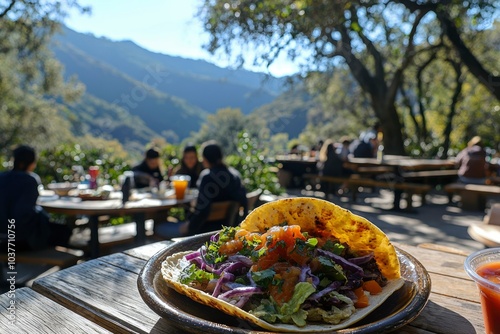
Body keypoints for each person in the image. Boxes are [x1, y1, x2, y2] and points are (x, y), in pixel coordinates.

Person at [154, 141, 247, 238]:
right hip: (228, 230)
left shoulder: (207, 176)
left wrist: (189, 227)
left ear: (205, 159)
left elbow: (202, 212)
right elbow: (244, 201)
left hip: (203, 233)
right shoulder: (235, 175)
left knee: (158, 227)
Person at [0, 145, 71, 251]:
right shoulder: (30, 180)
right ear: (31, 163)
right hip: (19, 241)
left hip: (3, 238)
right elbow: (25, 214)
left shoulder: (2, 177)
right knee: (65, 232)